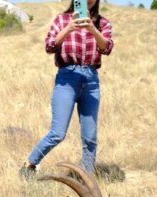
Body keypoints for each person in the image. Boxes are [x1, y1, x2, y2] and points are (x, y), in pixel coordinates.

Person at [20, 0, 114, 178]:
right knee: (58, 133)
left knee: (90, 136)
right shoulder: (62, 20)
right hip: (67, 78)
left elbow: (107, 48)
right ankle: (29, 165)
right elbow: (49, 46)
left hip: (91, 80)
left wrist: (93, 29)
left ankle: (86, 178)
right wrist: (69, 28)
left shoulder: (103, 23)